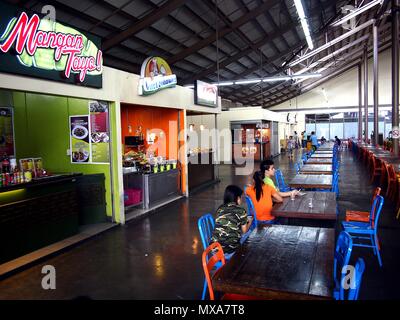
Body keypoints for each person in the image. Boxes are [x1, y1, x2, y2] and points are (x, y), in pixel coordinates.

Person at [211, 185, 253, 254]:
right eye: (241, 197)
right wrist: (250, 221)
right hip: (230, 249)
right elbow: (244, 231)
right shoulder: (241, 211)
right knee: (248, 234)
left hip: (215, 249)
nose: (241, 200)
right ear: (238, 198)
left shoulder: (220, 209)